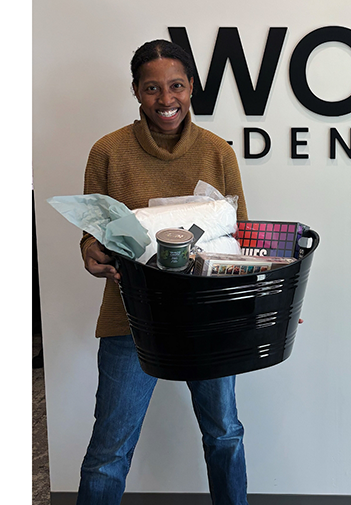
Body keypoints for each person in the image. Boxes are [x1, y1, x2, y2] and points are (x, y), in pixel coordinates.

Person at [76, 39, 249, 505]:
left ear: (192, 86)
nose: (166, 99)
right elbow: (94, 233)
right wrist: (91, 252)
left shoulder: (218, 154)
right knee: (109, 449)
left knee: (225, 434)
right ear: (135, 90)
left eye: (176, 86)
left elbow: (241, 240)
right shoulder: (108, 152)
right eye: (152, 88)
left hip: (208, 318)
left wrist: (261, 306)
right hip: (132, 318)